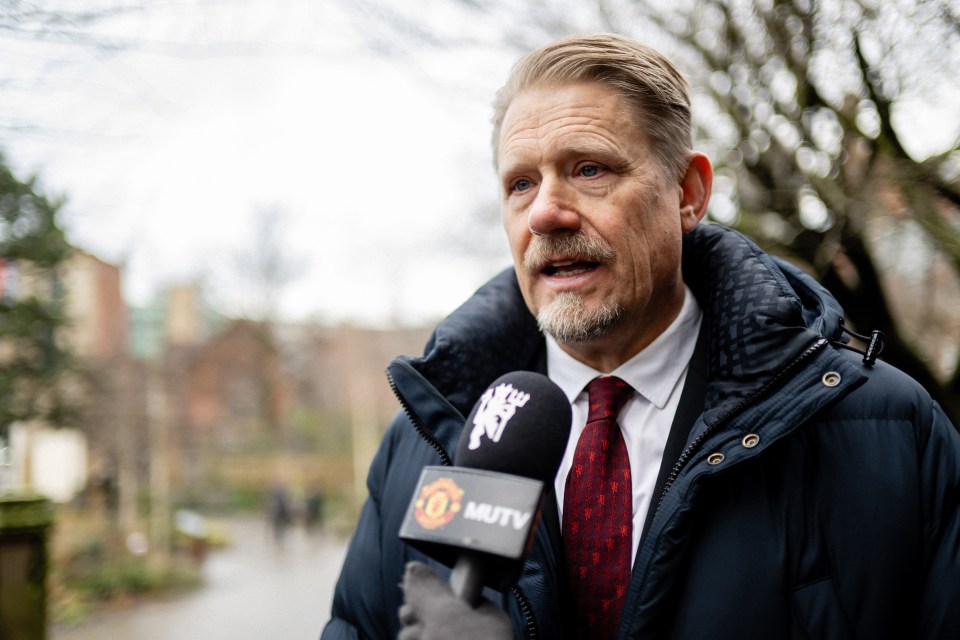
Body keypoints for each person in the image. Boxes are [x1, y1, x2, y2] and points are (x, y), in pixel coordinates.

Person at [320, 33, 960, 640]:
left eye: (590, 169)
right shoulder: (423, 445)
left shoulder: (891, 433)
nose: (545, 211)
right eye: (520, 183)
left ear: (689, 193)